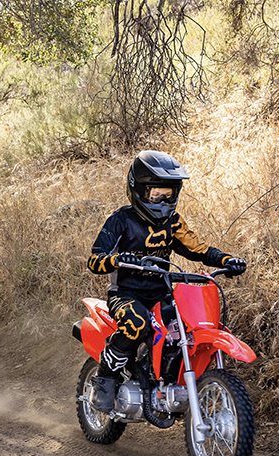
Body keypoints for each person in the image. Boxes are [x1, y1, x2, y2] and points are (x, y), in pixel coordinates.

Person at [86, 150, 246, 412]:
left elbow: (198, 249)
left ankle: (168, 378)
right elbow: (95, 260)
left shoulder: (173, 223)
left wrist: (226, 259)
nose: (163, 200)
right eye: (156, 194)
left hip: (162, 293)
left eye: (168, 195)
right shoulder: (120, 220)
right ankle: (105, 377)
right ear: (138, 190)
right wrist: (117, 260)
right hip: (126, 294)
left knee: (188, 327)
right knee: (136, 322)